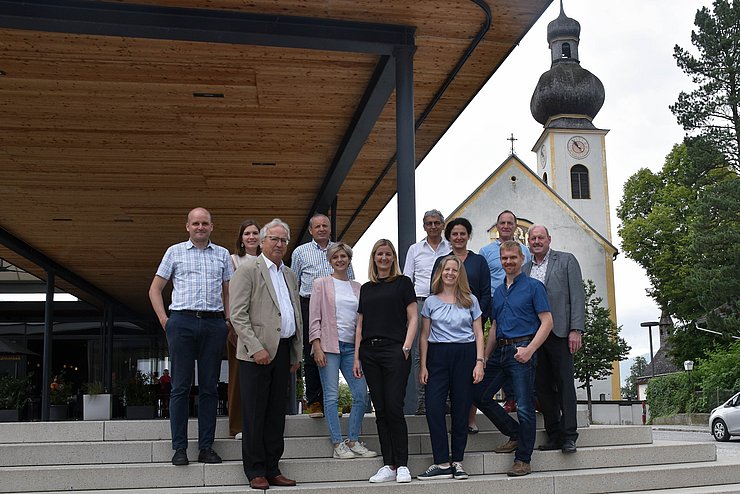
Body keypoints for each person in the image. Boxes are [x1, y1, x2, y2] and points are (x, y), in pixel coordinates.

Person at [148, 207, 231, 466]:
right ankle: (180, 448)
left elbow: (228, 291)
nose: (200, 227)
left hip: (213, 323)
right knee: (180, 387)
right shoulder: (174, 252)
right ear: (187, 226)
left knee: (209, 388)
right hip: (181, 322)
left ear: (211, 226)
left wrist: (228, 321)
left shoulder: (223, 254)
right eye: (195, 223)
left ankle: (206, 447)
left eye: (204, 223)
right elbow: (155, 289)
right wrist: (165, 320)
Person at [229, 218, 302, 490]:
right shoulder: (248, 269)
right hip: (256, 354)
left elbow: (294, 315)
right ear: (261, 241)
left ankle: (273, 467)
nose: (279, 244)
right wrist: (255, 347)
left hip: (283, 351)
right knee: (255, 414)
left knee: (276, 415)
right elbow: (237, 314)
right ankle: (255, 470)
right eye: (274, 238)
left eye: (283, 240)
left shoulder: (290, 274)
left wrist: (296, 353)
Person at [472, 241, 553, 477]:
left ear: (521, 259)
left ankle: (523, 460)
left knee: (525, 407)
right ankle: (515, 433)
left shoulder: (534, 287)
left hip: (522, 350)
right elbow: (495, 327)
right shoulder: (498, 291)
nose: (508, 262)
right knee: (480, 395)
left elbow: (547, 322)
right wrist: (484, 358)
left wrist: (530, 350)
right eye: (504, 258)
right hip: (500, 353)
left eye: (513, 258)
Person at [353, 239, 417, 484]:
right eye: (379, 253)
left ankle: (402, 464)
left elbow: (413, 317)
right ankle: (388, 464)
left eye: (388, 254)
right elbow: (359, 324)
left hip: (394, 351)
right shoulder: (366, 288)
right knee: (380, 410)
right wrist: (357, 355)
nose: (384, 257)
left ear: (393, 258)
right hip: (369, 352)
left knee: (393, 407)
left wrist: (406, 346)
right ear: (374, 257)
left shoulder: (403, 283)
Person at [417, 255, 485, 481]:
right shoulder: (430, 302)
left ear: (459, 274)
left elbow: (478, 334)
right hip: (437, 356)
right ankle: (442, 462)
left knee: (461, 408)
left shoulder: (471, 300)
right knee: (434, 408)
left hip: (465, 355)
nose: (450, 273)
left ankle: (457, 461)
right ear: (441, 272)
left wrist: (479, 362)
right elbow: (424, 336)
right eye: (446, 269)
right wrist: (423, 366)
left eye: (454, 270)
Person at [309, 243, 377, 460]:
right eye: (336, 257)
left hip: (352, 348)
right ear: (330, 261)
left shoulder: (358, 287)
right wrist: (316, 345)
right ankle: (338, 443)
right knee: (331, 396)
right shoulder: (321, 284)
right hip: (329, 346)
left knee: (360, 394)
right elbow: (314, 317)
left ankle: (353, 440)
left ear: (349, 259)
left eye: (343, 256)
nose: (340, 260)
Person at [524, 225, 585, 454]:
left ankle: (569, 435)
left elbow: (577, 296)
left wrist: (576, 329)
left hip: (561, 332)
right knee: (542, 386)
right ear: (528, 242)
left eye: (540, 237)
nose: (537, 241)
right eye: (533, 238)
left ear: (549, 239)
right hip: (535, 335)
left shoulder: (566, 261)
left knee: (565, 384)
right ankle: (554, 434)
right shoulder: (525, 268)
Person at [429, 217, 490, 433]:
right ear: (449, 237)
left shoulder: (479, 261)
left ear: (468, 236)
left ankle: (470, 419)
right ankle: (452, 418)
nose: (458, 237)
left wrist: (474, 315)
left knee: (470, 376)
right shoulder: (442, 262)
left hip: (471, 325)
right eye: (454, 234)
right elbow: (434, 290)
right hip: (445, 330)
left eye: (462, 233)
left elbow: (485, 292)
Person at [291, 213, 355, 418]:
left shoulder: (339, 251)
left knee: (334, 353)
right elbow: (294, 282)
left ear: (329, 228)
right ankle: (315, 401)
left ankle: (331, 401)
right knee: (312, 353)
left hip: (335, 307)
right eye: (317, 226)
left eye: (325, 226)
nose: (321, 229)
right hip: (309, 304)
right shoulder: (300, 252)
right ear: (310, 230)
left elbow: (350, 280)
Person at [479, 210, 532, 413]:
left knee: (518, 348)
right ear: (497, 225)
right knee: (502, 349)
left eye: (510, 223)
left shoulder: (524, 251)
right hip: (496, 301)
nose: (506, 226)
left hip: (519, 301)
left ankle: (522, 397)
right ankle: (510, 396)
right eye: (503, 222)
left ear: (515, 226)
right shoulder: (486, 251)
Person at [402, 209, 451, 415]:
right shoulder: (415, 249)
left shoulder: (450, 248)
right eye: (429, 223)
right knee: (418, 354)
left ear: (442, 225)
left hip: (446, 301)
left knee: (447, 349)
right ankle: (422, 402)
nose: (433, 227)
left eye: (437, 223)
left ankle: (447, 400)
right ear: (424, 226)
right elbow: (407, 278)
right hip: (421, 302)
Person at [227, 219, 261, 441]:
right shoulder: (232, 260)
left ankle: (259, 425)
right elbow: (228, 292)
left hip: (263, 328)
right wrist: (230, 322)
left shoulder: (266, 260)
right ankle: (237, 426)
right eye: (247, 233)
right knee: (238, 377)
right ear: (241, 237)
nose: (251, 237)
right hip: (239, 326)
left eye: (255, 233)